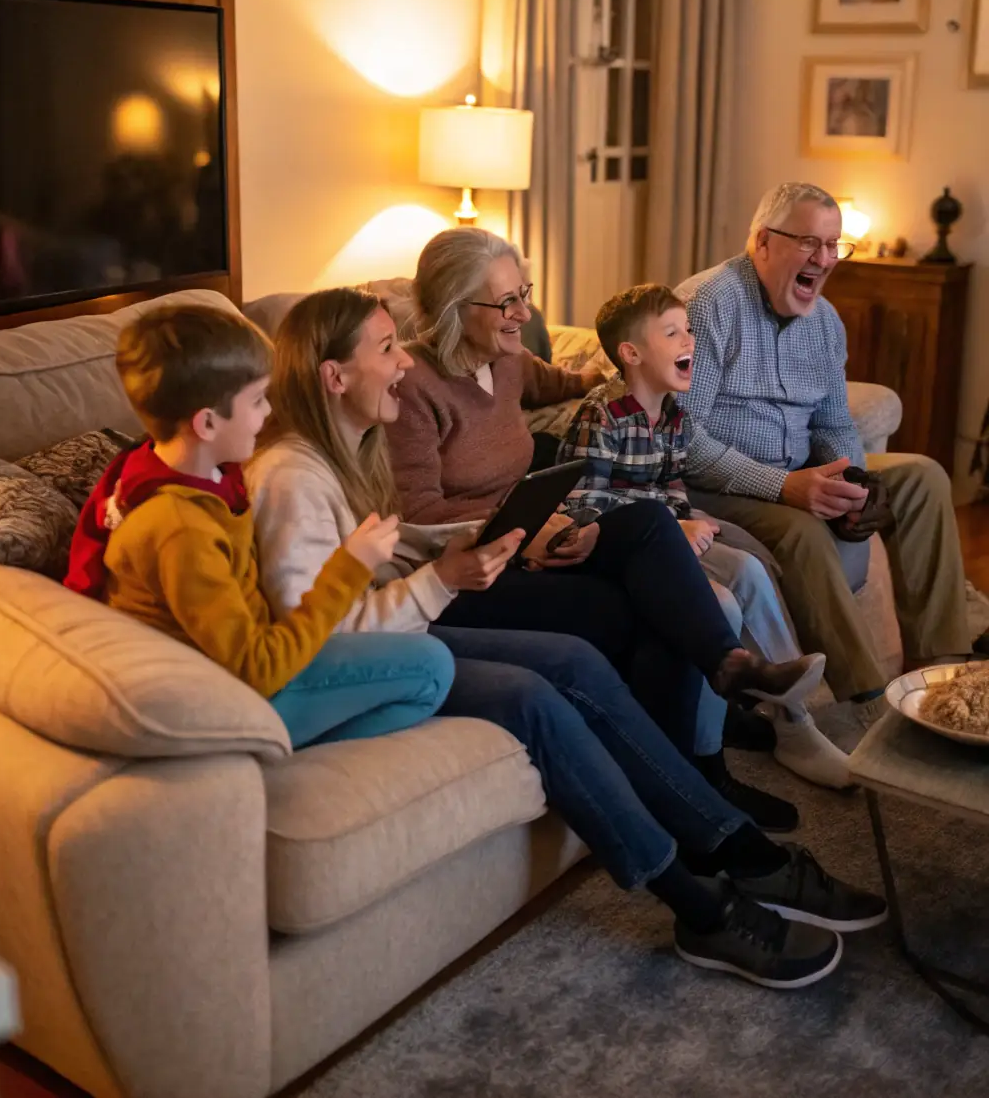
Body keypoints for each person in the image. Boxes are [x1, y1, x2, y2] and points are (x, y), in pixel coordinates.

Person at [247, 286, 887, 989]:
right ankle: (709, 890)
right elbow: (320, 632)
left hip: (425, 600)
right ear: (334, 375)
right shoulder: (290, 479)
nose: (403, 363)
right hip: (397, 644)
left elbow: (388, 546)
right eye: (386, 349)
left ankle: (724, 696)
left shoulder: (350, 448)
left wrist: (482, 537)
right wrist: (445, 577)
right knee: (562, 669)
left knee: (641, 557)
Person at [384, 227, 819, 833]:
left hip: (537, 532)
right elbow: (420, 512)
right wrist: (518, 535)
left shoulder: (505, 360)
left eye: (523, 293)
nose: (525, 313)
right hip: (471, 568)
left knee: (645, 519)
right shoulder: (412, 388)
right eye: (507, 302)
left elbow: (556, 381)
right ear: (458, 309)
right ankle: (698, 781)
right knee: (649, 609)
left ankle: (729, 668)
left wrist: (609, 380)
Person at [64, 303, 455, 748]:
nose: (270, 413)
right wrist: (350, 567)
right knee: (430, 666)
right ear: (207, 423)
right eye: (257, 401)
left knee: (428, 663)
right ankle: (268, 749)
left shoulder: (213, 480)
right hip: (220, 701)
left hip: (249, 669)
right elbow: (257, 668)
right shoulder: (179, 527)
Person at [676, 181, 977, 720]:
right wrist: (785, 487)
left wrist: (853, 479)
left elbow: (835, 420)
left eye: (835, 245)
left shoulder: (826, 322)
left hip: (797, 469)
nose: (826, 259)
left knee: (923, 475)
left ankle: (943, 675)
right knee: (801, 529)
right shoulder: (707, 305)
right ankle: (868, 704)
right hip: (717, 481)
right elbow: (683, 437)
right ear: (763, 242)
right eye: (811, 243)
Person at [558, 282, 851, 790]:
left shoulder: (674, 414)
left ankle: (793, 715)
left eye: (688, 330)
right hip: (609, 549)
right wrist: (673, 522)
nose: (689, 341)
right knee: (723, 601)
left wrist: (684, 519)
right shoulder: (600, 414)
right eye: (672, 333)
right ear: (631, 353)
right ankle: (741, 745)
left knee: (751, 570)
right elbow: (582, 504)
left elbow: (671, 482)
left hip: (665, 538)